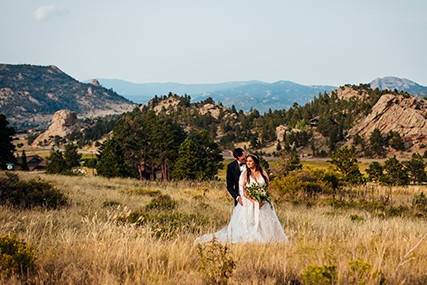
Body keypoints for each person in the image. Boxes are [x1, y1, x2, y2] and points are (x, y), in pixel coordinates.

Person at [195, 154, 288, 244]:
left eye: (250, 161)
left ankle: (269, 240)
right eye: (247, 161)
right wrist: (253, 200)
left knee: (266, 222)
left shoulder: (262, 172)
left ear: (255, 162)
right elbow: (243, 190)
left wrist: (262, 198)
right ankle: (255, 239)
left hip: (263, 202)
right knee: (250, 224)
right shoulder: (245, 174)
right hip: (249, 202)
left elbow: (267, 186)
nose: (248, 163)